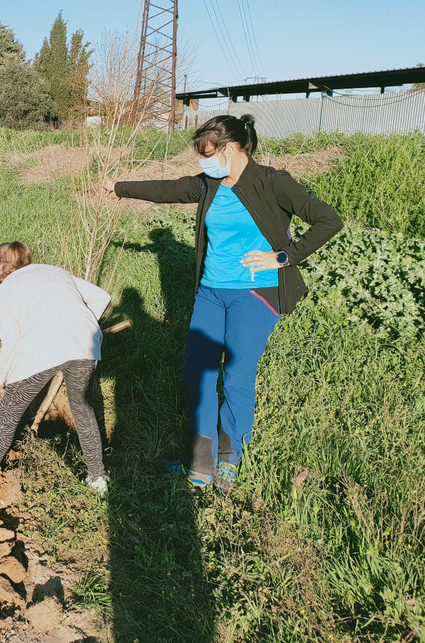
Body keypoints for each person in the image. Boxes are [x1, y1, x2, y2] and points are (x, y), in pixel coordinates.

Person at [102, 114, 342, 491]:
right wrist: (117, 187)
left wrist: (283, 257)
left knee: (238, 374)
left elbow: (329, 220)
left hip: (256, 293)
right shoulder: (209, 185)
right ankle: (199, 466)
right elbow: (167, 189)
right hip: (211, 292)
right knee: (198, 372)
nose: (203, 162)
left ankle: (229, 460)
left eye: (207, 153)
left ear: (231, 149)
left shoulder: (272, 182)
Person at [0, 242, 112, 500]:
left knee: (9, 413)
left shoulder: (6, 289)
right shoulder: (56, 271)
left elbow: (10, 342)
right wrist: (81, 324)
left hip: (41, 348)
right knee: (82, 406)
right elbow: (103, 297)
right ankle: (97, 478)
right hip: (85, 344)